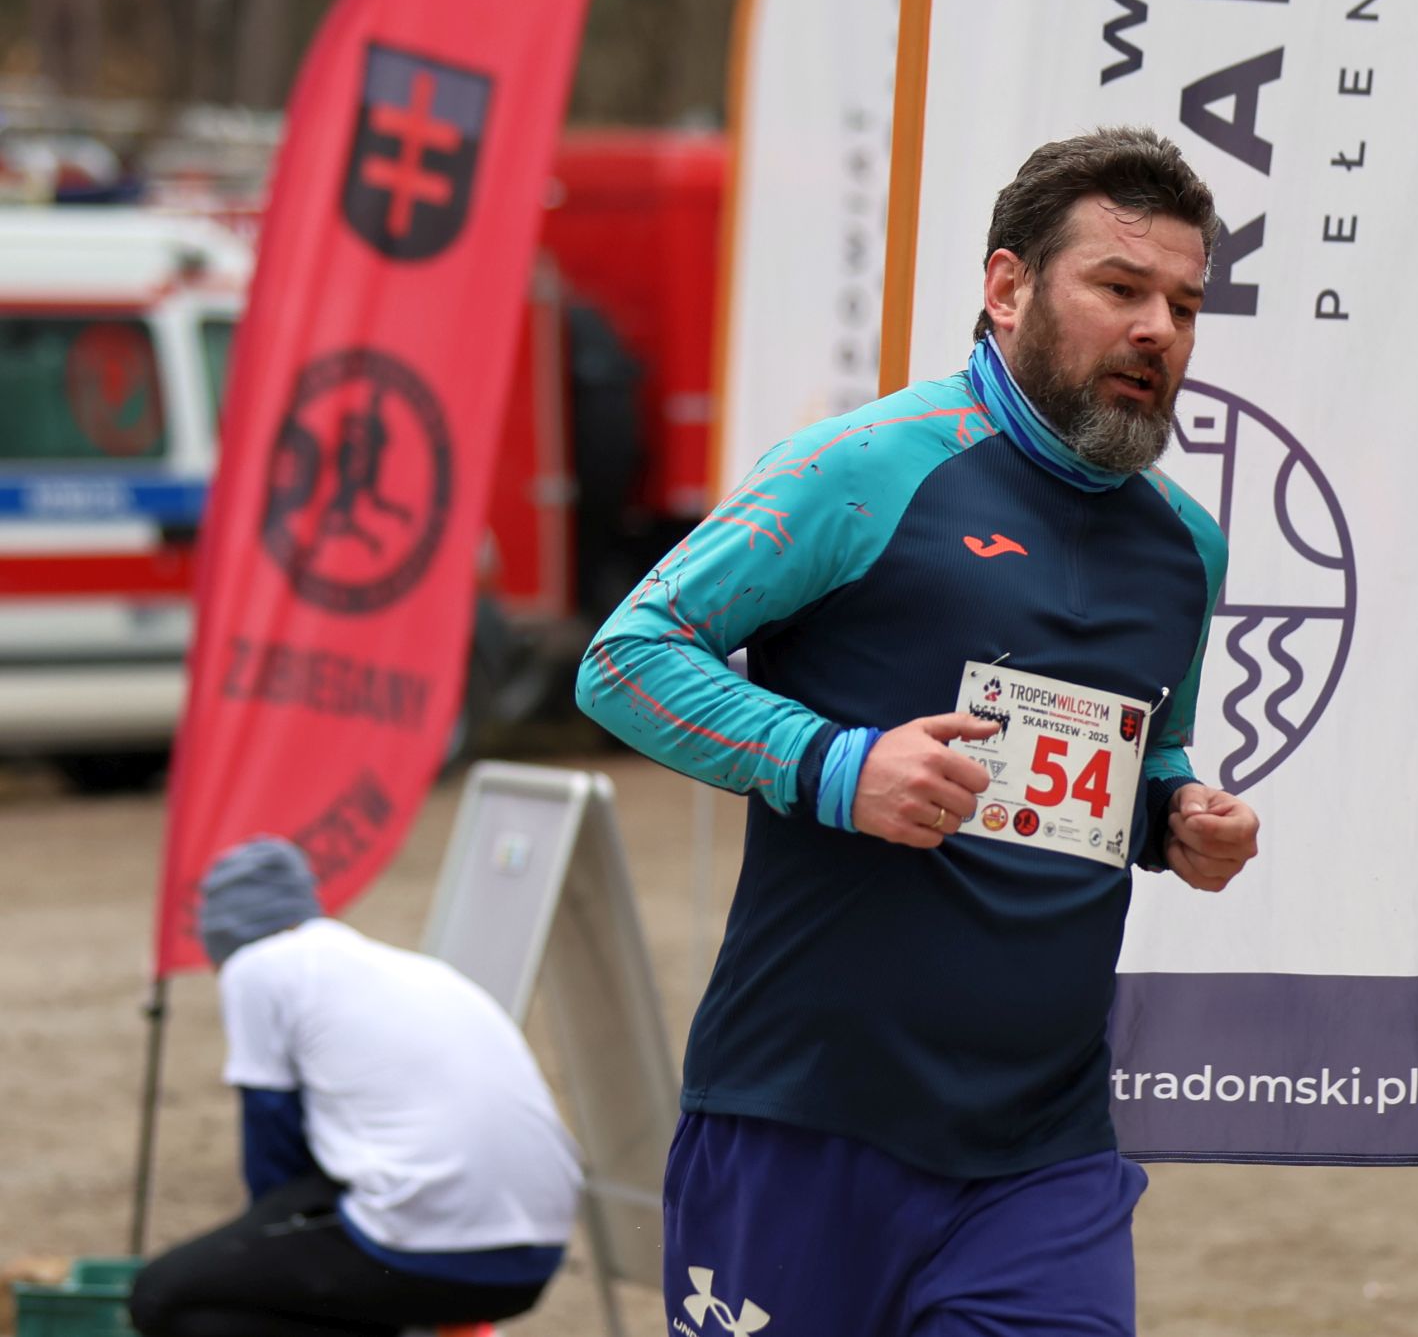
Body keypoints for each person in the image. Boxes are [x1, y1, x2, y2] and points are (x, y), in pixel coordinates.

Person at [576, 127, 1259, 1336]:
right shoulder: (866, 468)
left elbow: (1146, 751)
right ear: (1007, 288)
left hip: (1043, 1153)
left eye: (1184, 305)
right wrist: (837, 765)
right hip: (806, 1118)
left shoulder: (1184, 548)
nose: (1158, 330)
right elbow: (627, 657)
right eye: (1119, 287)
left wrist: (1176, 814)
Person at [130, 837, 583, 1337]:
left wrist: (259, 1246)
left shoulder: (256, 967)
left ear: (221, 937)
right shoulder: (407, 968)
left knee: (163, 1298)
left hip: (433, 1252)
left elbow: (272, 1145)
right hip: (534, 1254)